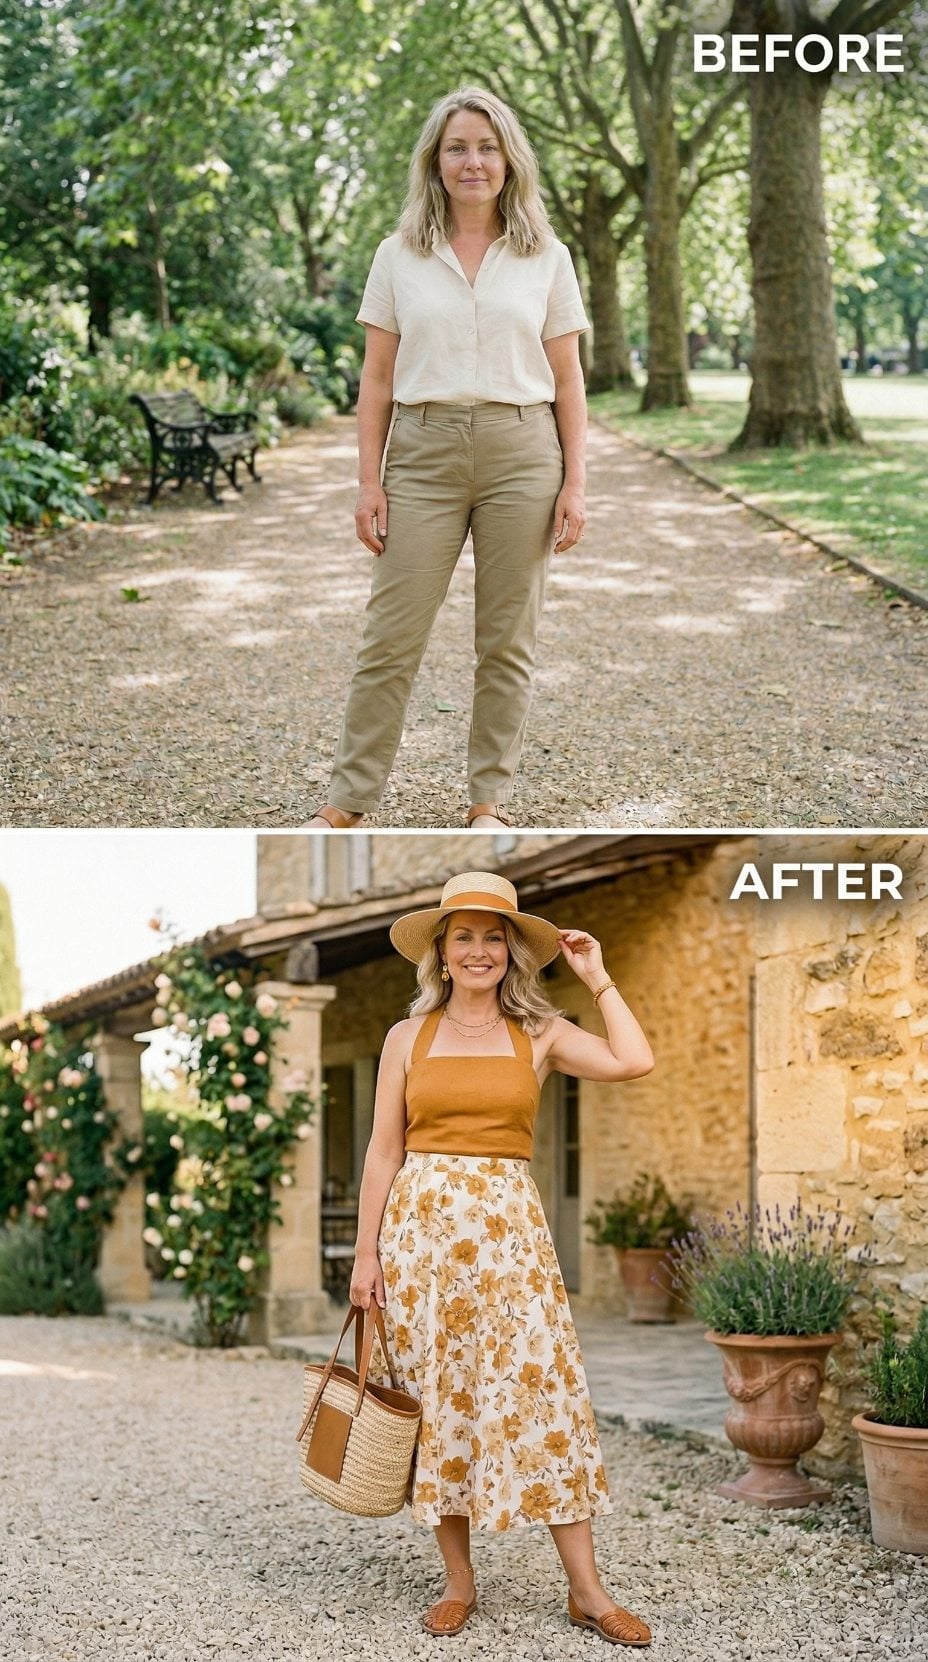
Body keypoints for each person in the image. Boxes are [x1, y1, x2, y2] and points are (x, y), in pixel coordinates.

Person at [348, 871, 654, 1646]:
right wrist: (365, 1256)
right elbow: (383, 1152)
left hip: (512, 1247)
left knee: (545, 1400)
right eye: (465, 937)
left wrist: (599, 977)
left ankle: (587, 1591)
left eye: (494, 936)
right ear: (442, 955)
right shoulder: (404, 1038)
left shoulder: (541, 1032)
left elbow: (634, 1060)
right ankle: (458, 1581)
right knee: (439, 1402)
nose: (479, 950)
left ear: (512, 952)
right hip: (420, 1247)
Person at [309, 87, 590, 833]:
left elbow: (568, 379)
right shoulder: (398, 256)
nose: (473, 161)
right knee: (390, 637)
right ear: (435, 162)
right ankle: (346, 802)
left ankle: (487, 803)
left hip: (524, 453)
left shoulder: (546, 257)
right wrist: (367, 481)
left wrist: (576, 484)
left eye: (487, 147)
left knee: (507, 640)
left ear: (509, 161)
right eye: (458, 148)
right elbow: (376, 379)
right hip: (424, 451)